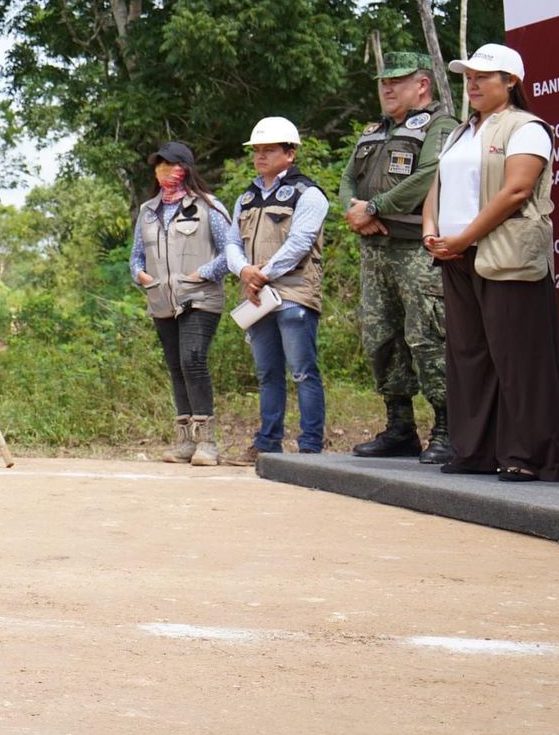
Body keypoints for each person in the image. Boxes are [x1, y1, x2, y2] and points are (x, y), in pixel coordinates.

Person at [422, 43, 559, 481]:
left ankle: (528, 456)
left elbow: (515, 192)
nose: (472, 83)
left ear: (511, 81)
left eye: (483, 76)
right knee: (469, 355)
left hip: (504, 253)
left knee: (518, 357)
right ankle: (475, 451)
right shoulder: (458, 132)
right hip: (454, 256)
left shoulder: (525, 127)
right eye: (468, 76)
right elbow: (438, 183)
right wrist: (431, 231)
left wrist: (464, 237)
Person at [340, 51, 456, 463]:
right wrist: (354, 212)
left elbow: (431, 175)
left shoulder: (441, 126)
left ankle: (447, 428)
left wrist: (376, 207)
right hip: (375, 251)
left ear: (422, 85)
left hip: (416, 250)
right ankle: (399, 427)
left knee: (427, 337)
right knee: (381, 337)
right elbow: (349, 177)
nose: (386, 88)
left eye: (397, 81)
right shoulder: (373, 130)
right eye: (383, 82)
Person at [224, 117, 329, 463]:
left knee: (302, 370)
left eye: (269, 149)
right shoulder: (247, 197)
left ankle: (310, 446)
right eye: (257, 150)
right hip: (257, 295)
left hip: (294, 291)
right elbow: (231, 243)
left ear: (290, 152)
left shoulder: (309, 193)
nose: (261, 156)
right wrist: (244, 270)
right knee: (268, 373)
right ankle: (267, 442)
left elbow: (300, 242)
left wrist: (262, 274)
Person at [130, 140, 232, 465]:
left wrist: (204, 273)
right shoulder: (147, 211)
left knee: (193, 359)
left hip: (200, 296)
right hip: (161, 299)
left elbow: (231, 251)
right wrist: (139, 275)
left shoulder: (209, 207)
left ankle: (207, 443)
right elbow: (135, 256)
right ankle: (185, 442)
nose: (164, 170)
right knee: (176, 366)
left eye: (170, 164)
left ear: (185, 168)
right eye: (159, 164)